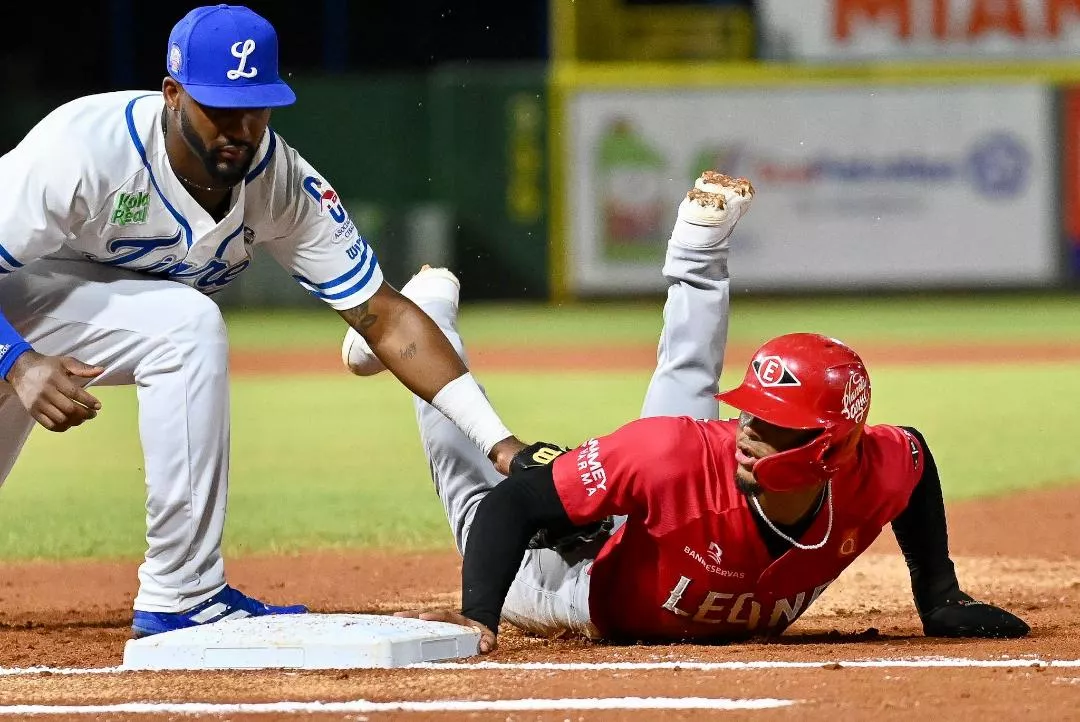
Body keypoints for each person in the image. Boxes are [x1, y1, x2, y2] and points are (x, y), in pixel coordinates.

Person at [0, 4, 536, 638]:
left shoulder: (279, 180)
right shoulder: (83, 150)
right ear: (172, 95)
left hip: (79, 321)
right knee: (185, 323)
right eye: (221, 109)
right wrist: (16, 360)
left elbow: (386, 319)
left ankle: (183, 591)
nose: (242, 128)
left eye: (258, 107)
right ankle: (185, 593)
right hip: (16, 303)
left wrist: (503, 445)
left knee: (185, 326)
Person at [348, 171, 1030, 652]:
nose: (747, 433)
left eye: (771, 424)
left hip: (664, 518)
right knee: (477, 508)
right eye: (750, 414)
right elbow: (510, 507)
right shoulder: (685, 455)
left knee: (671, 435)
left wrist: (939, 595)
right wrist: (478, 617)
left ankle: (698, 256)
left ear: (830, 450)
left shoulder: (871, 470)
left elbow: (911, 456)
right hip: (578, 589)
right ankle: (428, 317)